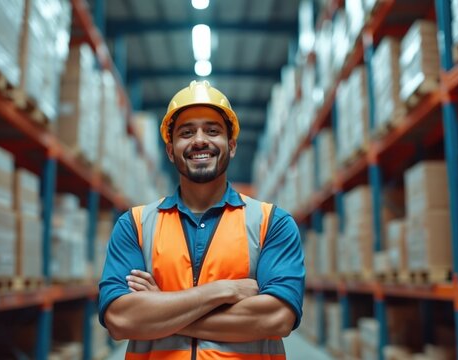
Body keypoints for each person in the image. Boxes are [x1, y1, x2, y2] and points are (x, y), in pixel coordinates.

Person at [98, 80, 305, 359]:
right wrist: (224, 290)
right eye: (186, 132)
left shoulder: (271, 223)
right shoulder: (134, 225)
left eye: (212, 130)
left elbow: (277, 318)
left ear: (231, 146)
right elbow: (120, 320)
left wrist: (160, 309)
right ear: (171, 150)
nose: (199, 140)